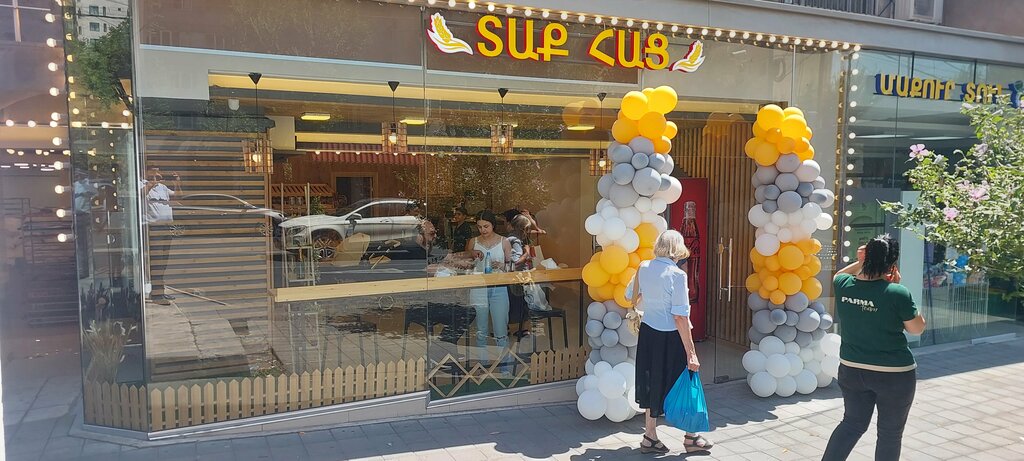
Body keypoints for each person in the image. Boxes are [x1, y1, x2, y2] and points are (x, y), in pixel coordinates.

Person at [822, 235, 926, 461]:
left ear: (866, 257)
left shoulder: (843, 285)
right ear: (892, 264)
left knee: (851, 424)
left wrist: (862, 261)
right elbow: (917, 328)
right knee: (890, 434)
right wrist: (896, 287)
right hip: (894, 375)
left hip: (852, 370)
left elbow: (841, 274)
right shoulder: (897, 292)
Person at [626, 230, 712, 454]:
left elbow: (630, 295)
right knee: (685, 380)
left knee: (652, 381)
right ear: (678, 249)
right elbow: (680, 316)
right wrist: (691, 352)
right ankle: (691, 437)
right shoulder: (677, 275)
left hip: (648, 333)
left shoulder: (644, 267)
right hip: (670, 336)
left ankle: (649, 436)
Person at [466, 211, 513, 372]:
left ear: (493, 225)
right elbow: (465, 264)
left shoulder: (504, 241)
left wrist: (501, 266)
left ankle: (505, 368)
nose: (483, 230)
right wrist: (471, 254)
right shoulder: (473, 242)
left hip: (499, 287)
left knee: (501, 330)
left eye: (486, 226)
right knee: (481, 330)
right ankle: (483, 364)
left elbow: (511, 268)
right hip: (479, 287)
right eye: (479, 227)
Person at [140, 167, 181, 304]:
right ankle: (157, 295)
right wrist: (151, 182)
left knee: (163, 260)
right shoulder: (142, 184)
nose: (158, 175)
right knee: (156, 260)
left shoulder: (163, 187)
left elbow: (177, 196)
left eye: (159, 173)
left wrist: (177, 183)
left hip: (166, 227)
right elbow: (140, 195)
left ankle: (159, 291)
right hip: (153, 227)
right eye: (154, 173)